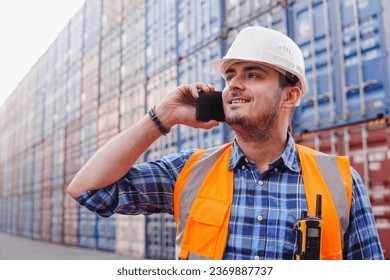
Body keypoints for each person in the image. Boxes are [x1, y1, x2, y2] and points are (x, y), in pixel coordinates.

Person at [68, 26, 384, 260]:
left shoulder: (340, 182)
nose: (233, 84)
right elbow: (88, 189)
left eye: (253, 74)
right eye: (230, 75)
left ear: (290, 94)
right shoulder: (189, 171)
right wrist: (161, 117)